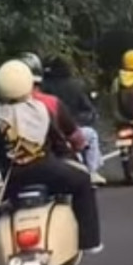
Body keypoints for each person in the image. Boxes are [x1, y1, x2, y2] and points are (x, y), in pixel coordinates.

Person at [0, 59, 103, 263]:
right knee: (83, 182)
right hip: (47, 170)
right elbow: (58, 141)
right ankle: (89, 241)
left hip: (10, 178)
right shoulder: (42, 109)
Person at [43, 56, 107, 186]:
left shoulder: (43, 89)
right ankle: (92, 172)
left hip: (46, 134)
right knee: (92, 135)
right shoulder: (74, 86)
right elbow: (87, 109)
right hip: (70, 130)